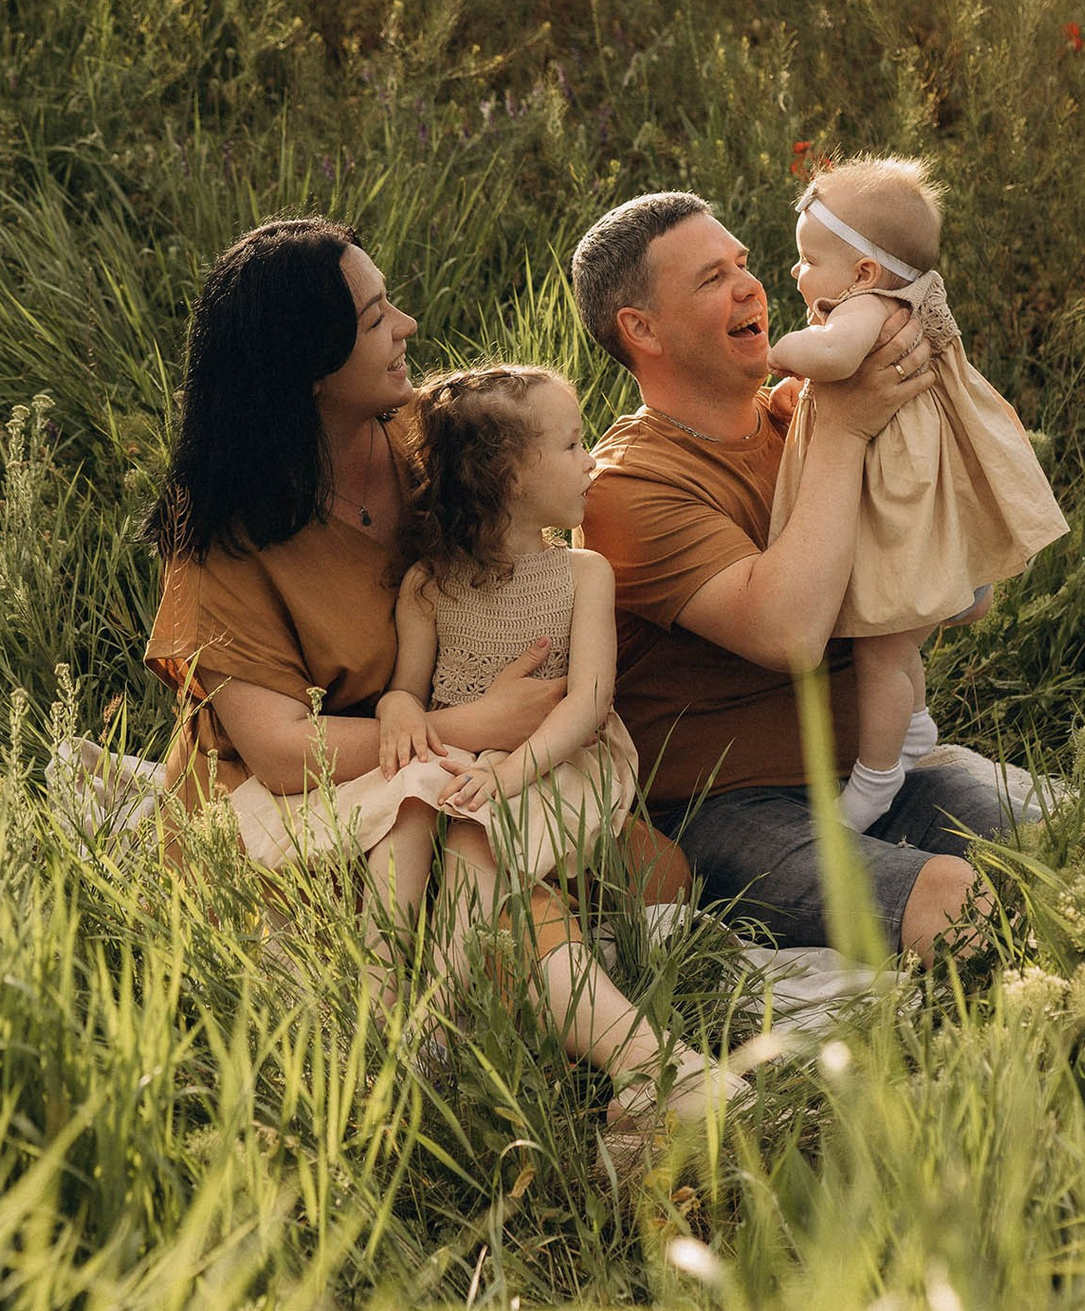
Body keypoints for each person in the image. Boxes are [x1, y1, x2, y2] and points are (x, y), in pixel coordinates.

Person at [144, 220, 737, 1128]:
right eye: (378, 317)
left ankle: (516, 1032)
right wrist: (477, 728)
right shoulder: (225, 531)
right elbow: (277, 751)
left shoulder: (432, 444)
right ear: (310, 366)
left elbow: (551, 483)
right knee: (501, 883)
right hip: (318, 794)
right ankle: (660, 1073)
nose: (408, 327)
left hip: (457, 756)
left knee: (651, 869)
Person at [571, 191, 1014, 961]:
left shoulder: (799, 416)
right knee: (952, 898)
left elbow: (966, 598)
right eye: (713, 278)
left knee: (1069, 846)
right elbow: (789, 633)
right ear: (641, 329)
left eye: (744, 264)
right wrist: (848, 428)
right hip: (724, 807)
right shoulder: (625, 487)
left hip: (868, 775)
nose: (751, 287)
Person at [766, 159, 1068, 832]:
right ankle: (913, 734)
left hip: (895, 511)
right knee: (899, 648)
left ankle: (874, 783)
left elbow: (837, 359)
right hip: (914, 503)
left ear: (865, 272)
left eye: (809, 259)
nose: (796, 273)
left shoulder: (867, 312)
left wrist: (780, 352)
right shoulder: (903, 302)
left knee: (881, 648)